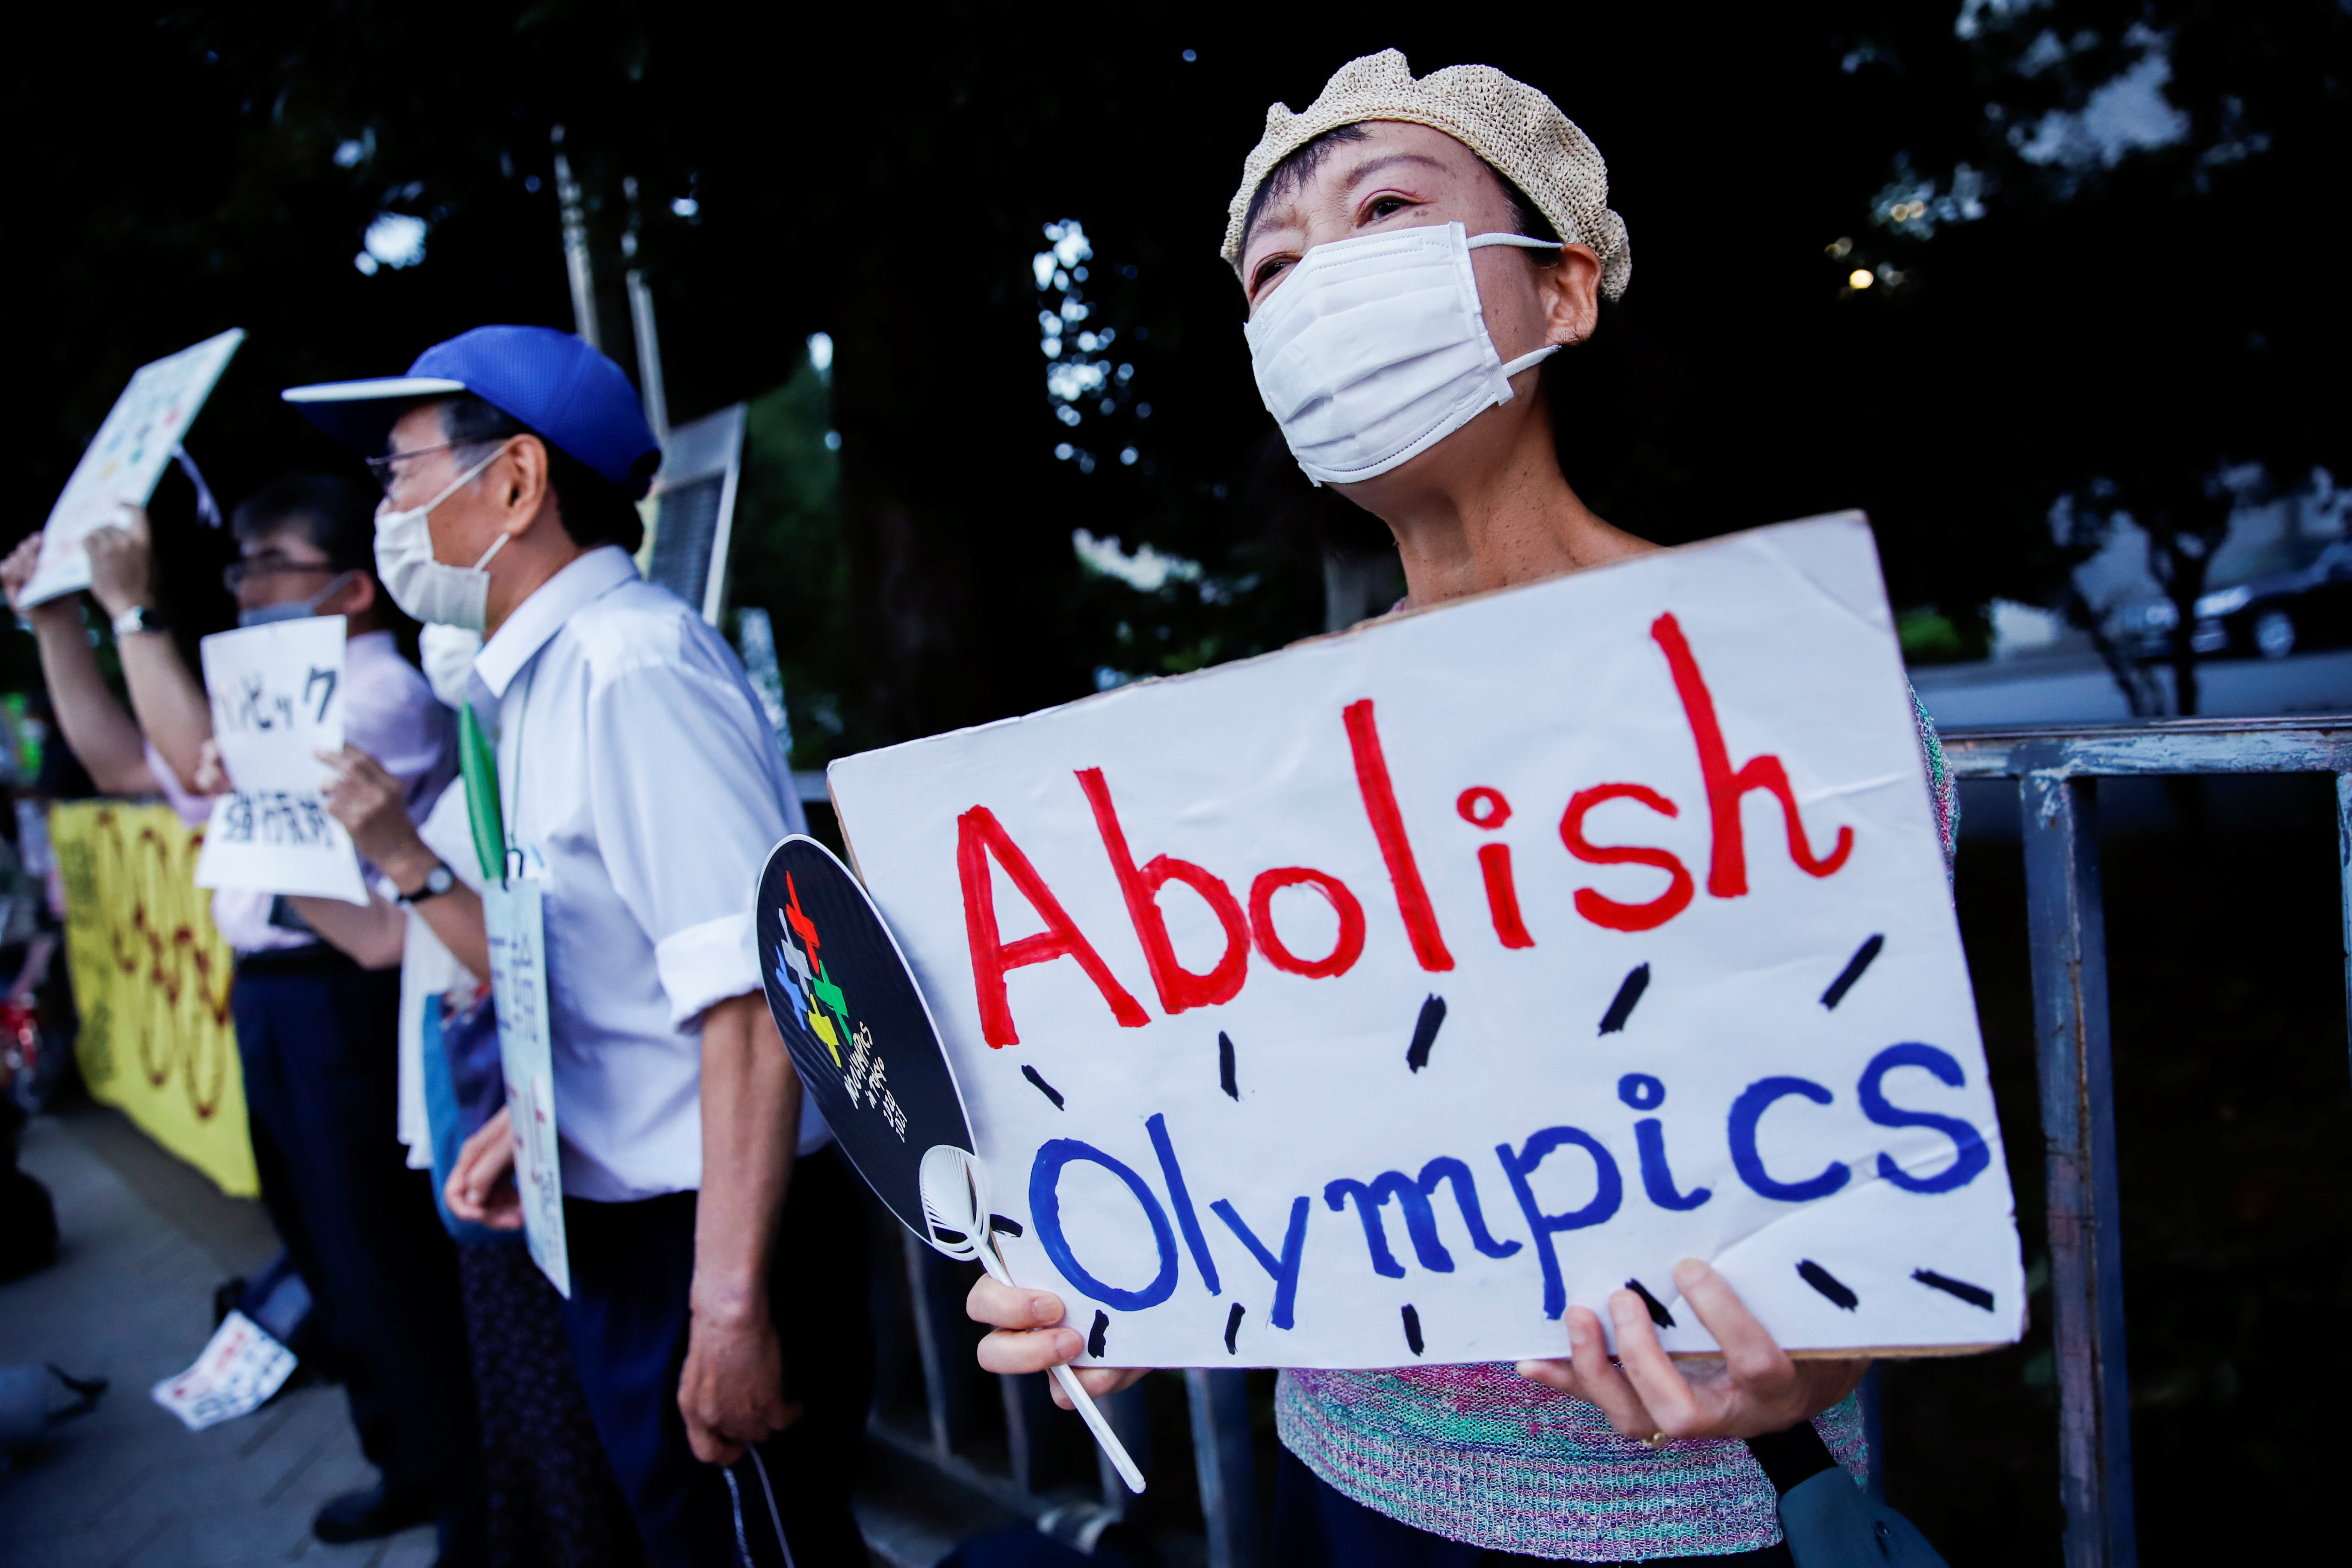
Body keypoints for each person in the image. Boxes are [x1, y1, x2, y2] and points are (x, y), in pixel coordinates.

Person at [966, 50, 1961, 1567]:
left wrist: (1817, 1351)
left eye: (1383, 209)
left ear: (1564, 286)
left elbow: (1894, 1167)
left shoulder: (1781, 693)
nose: (1317, 289)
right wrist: (1136, 1278)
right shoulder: (1254, 757)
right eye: (1273, 273)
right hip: (1342, 1487)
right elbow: (1257, 1125)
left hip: (1687, 1518)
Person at [281, 324, 870, 1567]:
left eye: (401, 471)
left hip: (712, 1241)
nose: (388, 510)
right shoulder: (539, 682)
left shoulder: (632, 669)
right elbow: (616, 971)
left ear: (515, 480)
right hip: (644, 1227)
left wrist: (727, 1303)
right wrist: (550, 1123)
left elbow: (758, 1000)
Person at [1, 480, 486, 1564]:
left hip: (344, 989)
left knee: (384, 1254)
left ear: (353, 590)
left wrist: (132, 612)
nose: (246, 585)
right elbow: (135, 766)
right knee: (323, 1246)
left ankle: (471, 1496)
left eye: (270, 564)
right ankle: (404, 1458)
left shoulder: (377, 692)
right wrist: (56, 621)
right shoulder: (275, 690)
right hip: (273, 988)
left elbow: (192, 770)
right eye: (244, 567)